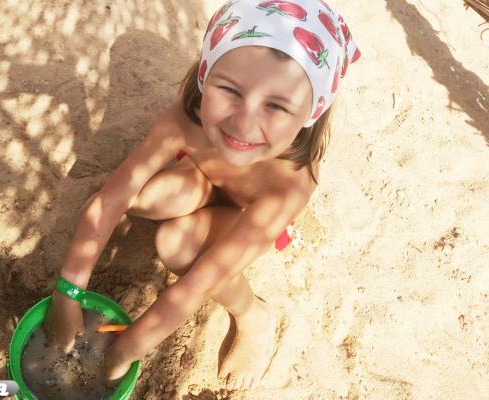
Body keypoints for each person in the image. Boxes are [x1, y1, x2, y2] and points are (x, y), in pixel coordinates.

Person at [44, 0, 361, 391]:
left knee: (177, 244)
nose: (243, 123)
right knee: (144, 196)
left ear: (311, 112)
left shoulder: (288, 186)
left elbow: (196, 285)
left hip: (247, 219)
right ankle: (193, 199)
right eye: (229, 90)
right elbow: (112, 197)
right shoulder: (185, 119)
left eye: (276, 106)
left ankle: (253, 315)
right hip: (203, 178)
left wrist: (123, 352)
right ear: (205, 76)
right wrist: (67, 293)